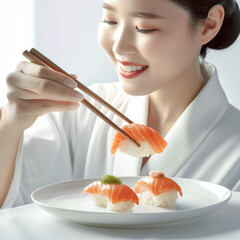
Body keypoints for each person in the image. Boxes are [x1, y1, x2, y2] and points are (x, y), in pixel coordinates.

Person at [0, 0, 240, 209]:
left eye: (144, 28)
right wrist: (10, 123)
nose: (118, 46)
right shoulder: (75, 111)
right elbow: (15, 209)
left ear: (209, 25)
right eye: (109, 20)